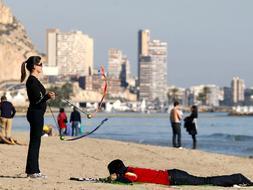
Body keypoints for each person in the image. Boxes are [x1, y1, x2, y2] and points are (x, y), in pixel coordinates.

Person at [20, 56, 55, 178]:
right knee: (35, 142)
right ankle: (32, 171)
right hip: (35, 114)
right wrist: (47, 97)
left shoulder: (35, 80)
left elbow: (40, 97)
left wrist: (47, 96)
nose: (42, 66)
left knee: (36, 142)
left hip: (37, 114)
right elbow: (36, 100)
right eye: (40, 64)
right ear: (34, 66)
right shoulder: (31, 81)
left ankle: (34, 170)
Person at [107, 159, 253, 187]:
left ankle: (238, 177)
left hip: (174, 177)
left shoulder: (129, 174)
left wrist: (116, 179)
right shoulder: (130, 168)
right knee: (204, 180)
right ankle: (234, 180)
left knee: (205, 181)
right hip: (173, 174)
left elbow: (130, 180)